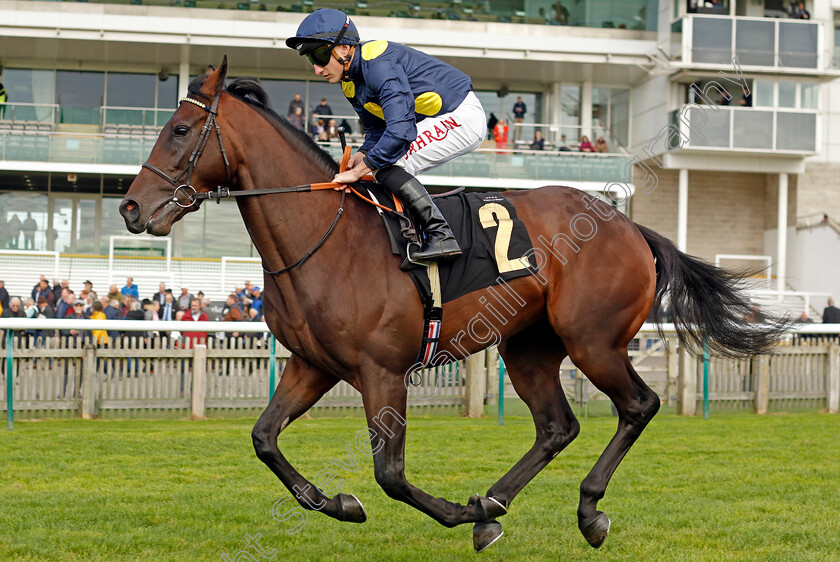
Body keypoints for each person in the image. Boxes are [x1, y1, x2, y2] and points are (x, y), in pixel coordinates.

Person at [286, 9, 486, 262]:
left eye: (320, 55)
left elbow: (401, 131)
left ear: (345, 48)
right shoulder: (349, 82)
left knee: (387, 162)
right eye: (310, 60)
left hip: (461, 116)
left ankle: (441, 234)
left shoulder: (378, 63)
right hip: (436, 120)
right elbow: (376, 130)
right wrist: (359, 156)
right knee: (376, 163)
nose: (317, 69)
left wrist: (362, 169)